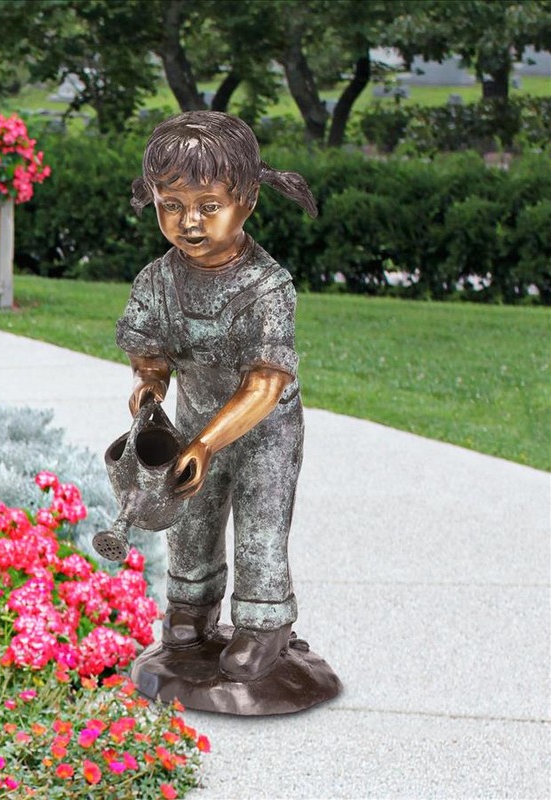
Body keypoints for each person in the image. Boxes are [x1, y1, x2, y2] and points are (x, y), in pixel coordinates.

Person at [114, 111, 318, 683]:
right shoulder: (157, 281)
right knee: (191, 521)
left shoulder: (266, 287)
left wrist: (204, 444)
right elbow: (151, 357)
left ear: (247, 201)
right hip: (192, 422)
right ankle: (191, 607)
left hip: (265, 432)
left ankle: (263, 624)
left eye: (209, 205)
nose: (190, 222)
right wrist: (148, 391)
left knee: (260, 526)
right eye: (171, 205)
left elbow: (265, 383)